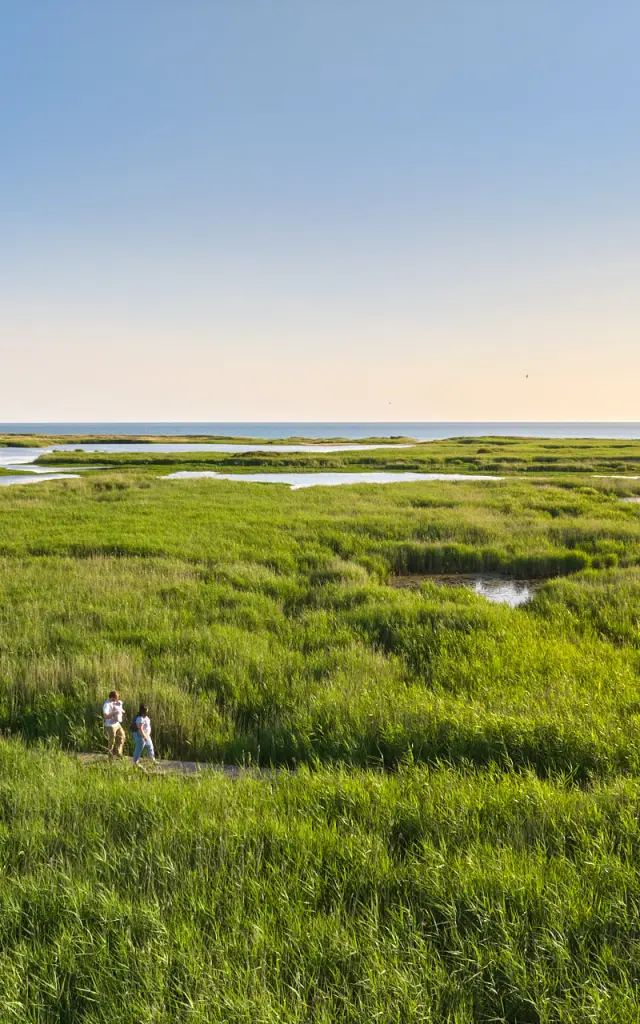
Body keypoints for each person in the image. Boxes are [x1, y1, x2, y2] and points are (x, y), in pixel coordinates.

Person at [102, 690, 126, 757]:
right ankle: (110, 757)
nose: (117, 699)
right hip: (110, 725)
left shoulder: (114, 702)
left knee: (122, 736)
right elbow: (105, 716)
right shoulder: (106, 705)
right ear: (112, 697)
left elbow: (119, 708)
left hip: (117, 723)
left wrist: (122, 714)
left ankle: (119, 753)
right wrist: (114, 713)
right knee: (111, 741)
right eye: (116, 698)